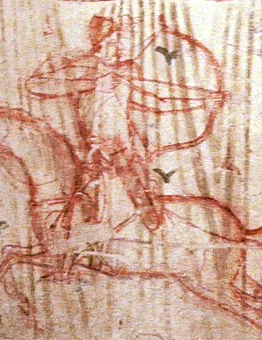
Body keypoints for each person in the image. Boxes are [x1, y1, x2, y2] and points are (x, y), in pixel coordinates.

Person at [25, 14, 224, 232]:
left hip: (120, 145)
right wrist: (89, 76)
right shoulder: (88, 67)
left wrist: (202, 100)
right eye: (110, 42)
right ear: (99, 46)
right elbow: (36, 85)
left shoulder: (126, 69)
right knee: (82, 197)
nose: (117, 47)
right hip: (93, 146)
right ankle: (76, 232)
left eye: (117, 41)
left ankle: (151, 226)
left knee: (140, 197)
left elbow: (156, 99)